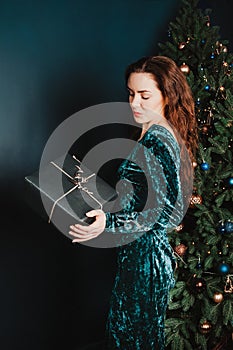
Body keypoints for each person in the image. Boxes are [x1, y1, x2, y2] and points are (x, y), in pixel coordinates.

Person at [69, 56, 198, 349]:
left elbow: (164, 213)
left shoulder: (157, 140)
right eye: (130, 93)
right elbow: (140, 199)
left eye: (144, 95)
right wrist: (96, 197)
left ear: (168, 96)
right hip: (136, 257)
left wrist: (108, 223)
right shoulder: (149, 133)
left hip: (147, 260)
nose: (134, 103)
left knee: (132, 340)